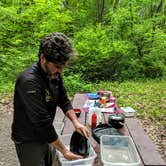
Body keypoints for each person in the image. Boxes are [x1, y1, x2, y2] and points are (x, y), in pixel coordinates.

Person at [11, 32, 90, 166]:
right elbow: (42, 122)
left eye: (63, 66)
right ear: (43, 58)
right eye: (58, 67)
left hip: (46, 135)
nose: (61, 71)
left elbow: (64, 100)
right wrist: (64, 150)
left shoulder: (54, 74)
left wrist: (76, 122)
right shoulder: (29, 82)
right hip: (29, 139)